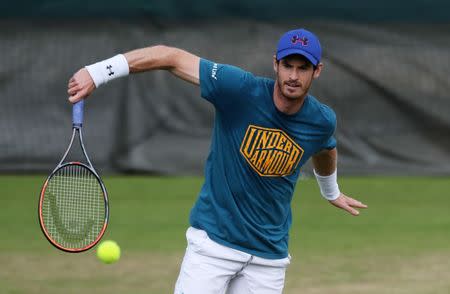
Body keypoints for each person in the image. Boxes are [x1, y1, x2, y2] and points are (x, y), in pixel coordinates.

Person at [68, 28, 367, 294]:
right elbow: (168, 56)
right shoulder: (238, 89)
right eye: (288, 65)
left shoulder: (321, 120)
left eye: (303, 68)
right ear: (275, 63)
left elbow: (326, 150)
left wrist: (331, 191)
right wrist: (96, 73)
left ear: (317, 71)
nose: (293, 75)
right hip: (213, 245)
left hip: (269, 258)